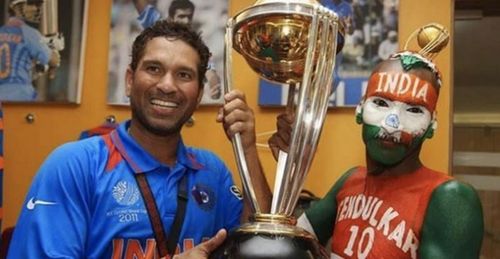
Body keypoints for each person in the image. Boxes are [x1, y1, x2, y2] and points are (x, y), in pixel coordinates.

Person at [7, 20, 271, 258]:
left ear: (199, 93)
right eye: (154, 68)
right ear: (130, 81)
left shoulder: (212, 172)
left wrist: (246, 148)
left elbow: (262, 244)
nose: (167, 85)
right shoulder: (74, 165)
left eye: (184, 75)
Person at [269, 51, 484, 258]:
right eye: (381, 103)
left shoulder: (450, 198)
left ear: (432, 125)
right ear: (360, 109)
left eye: (414, 110)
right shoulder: (351, 180)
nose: (392, 124)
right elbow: (286, 245)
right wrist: (290, 173)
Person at [133, 0, 222, 100]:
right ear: (171, 18)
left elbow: (210, 72)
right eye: (181, 16)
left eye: (189, 17)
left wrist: (214, 86)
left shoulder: (196, 46)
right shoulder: (158, 28)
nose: (186, 21)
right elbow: (140, 4)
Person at [0, 0, 60, 101]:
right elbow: (53, 60)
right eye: (31, 4)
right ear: (17, 7)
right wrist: (53, 49)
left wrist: (35, 69)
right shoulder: (29, 33)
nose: (36, 9)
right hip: (20, 93)